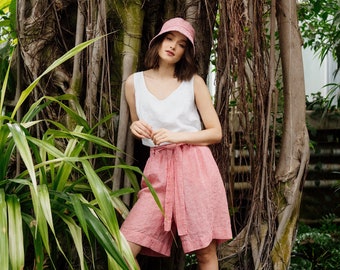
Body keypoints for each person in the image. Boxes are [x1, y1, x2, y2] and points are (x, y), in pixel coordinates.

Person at [120, 17, 232, 270]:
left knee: (205, 252)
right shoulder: (133, 83)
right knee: (124, 247)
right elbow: (139, 125)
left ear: (185, 52)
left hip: (195, 168)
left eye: (181, 44)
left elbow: (215, 133)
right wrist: (134, 127)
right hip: (158, 170)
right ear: (158, 42)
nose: (173, 46)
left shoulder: (194, 83)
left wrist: (175, 136)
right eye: (169, 38)